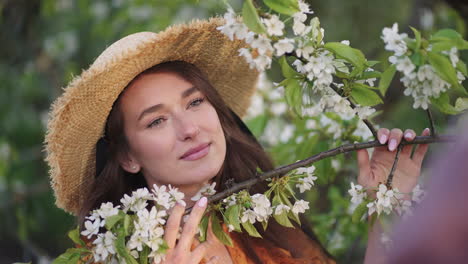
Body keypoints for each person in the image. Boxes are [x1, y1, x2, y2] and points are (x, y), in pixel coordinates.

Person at [44, 17, 429, 264]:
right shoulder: (110, 257)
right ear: (128, 156)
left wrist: (388, 201)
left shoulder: (265, 229)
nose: (189, 128)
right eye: (157, 120)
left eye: (195, 102)